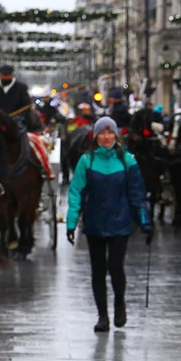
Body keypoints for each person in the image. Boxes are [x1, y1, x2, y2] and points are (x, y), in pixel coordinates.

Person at [66, 117, 152, 332]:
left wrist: (144, 221)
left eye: (110, 133)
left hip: (119, 222)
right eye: (102, 134)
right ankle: (102, 315)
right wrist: (71, 222)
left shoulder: (128, 161)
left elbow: (137, 194)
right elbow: (76, 192)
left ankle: (119, 302)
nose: (106, 137)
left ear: (116, 135)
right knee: (97, 270)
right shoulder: (86, 161)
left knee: (115, 266)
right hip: (95, 221)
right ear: (95, 137)